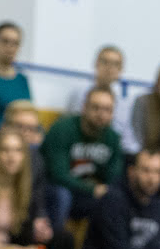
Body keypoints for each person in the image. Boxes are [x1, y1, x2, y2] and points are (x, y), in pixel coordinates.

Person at [77, 147, 160, 249]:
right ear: (131, 172)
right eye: (146, 171)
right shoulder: (112, 201)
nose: (152, 178)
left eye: (157, 172)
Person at [43, 87, 123, 219]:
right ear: (84, 107)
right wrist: (92, 189)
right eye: (96, 108)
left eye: (107, 110)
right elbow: (58, 174)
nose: (101, 114)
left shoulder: (113, 138)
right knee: (63, 195)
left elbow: (113, 178)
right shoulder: (62, 129)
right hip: (55, 188)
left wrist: (102, 190)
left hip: (87, 193)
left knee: (115, 199)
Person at [62, 44, 138, 154]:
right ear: (96, 64)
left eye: (116, 64)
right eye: (105, 62)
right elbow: (70, 128)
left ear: (121, 70)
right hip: (81, 150)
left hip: (114, 153)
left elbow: (128, 139)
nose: (110, 68)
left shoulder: (125, 103)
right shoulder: (79, 94)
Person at [0, 21, 30, 133]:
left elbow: (29, 112)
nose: (10, 47)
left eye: (15, 43)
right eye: (5, 41)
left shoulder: (22, 80)